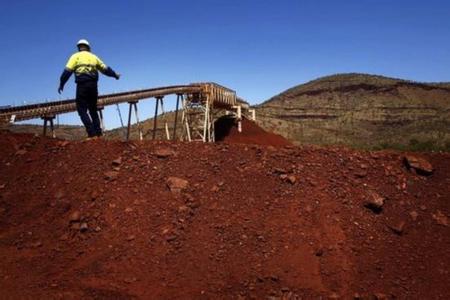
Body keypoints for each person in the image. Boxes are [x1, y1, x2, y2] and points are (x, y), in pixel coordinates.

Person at [58, 39, 120, 137]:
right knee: (93, 110)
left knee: (81, 109)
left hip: (82, 85)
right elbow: (106, 70)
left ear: (79, 47)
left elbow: (67, 72)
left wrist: (62, 83)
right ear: (88, 47)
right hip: (93, 85)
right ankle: (99, 133)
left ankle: (92, 134)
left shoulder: (75, 56)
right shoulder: (94, 57)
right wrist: (115, 75)